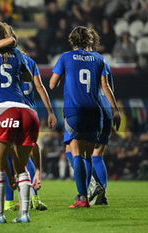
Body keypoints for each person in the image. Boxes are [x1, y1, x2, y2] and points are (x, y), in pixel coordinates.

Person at [0, 24, 55, 212]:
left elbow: (6, 43)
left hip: (0, 111)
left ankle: (0, 210)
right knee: (23, 161)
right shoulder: (21, 57)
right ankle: (26, 207)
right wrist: (49, 111)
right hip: (25, 109)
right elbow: (12, 43)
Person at [50, 26, 121, 208]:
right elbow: (106, 86)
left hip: (75, 110)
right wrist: (115, 110)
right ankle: (98, 192)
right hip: (98, 110)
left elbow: (51, 84)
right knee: (92, 156)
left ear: (72, 41)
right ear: (90, 40)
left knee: (75, 154)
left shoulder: (65, 57)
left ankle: (83, 196)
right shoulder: (100, 59)